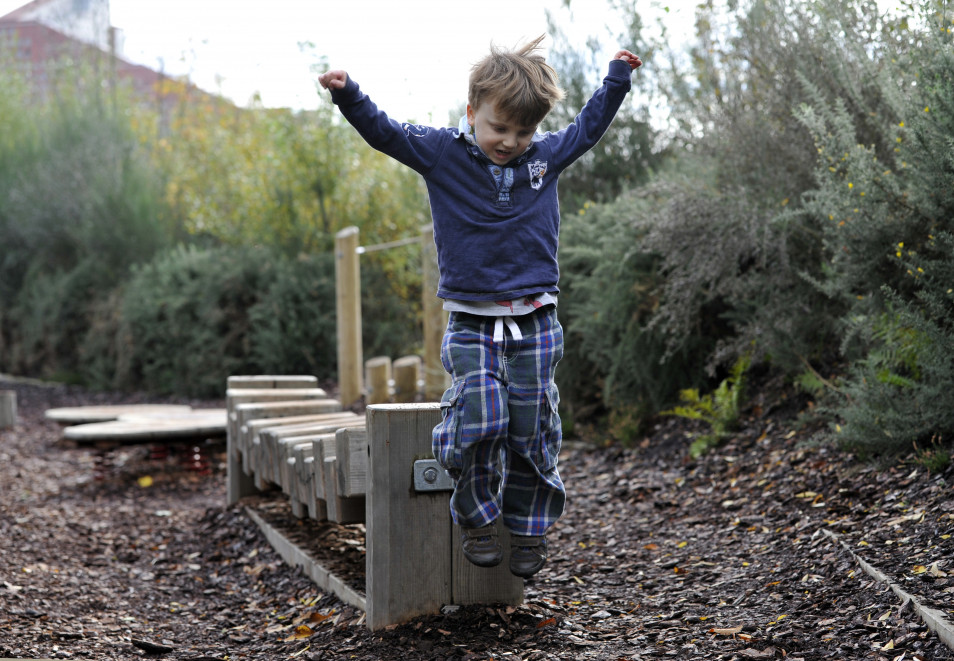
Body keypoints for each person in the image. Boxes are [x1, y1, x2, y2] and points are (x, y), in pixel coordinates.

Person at [319, 35, 641, 579]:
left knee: (531, 423)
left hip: (536, 316)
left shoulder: (543, 157)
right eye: (499, 127)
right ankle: (477, 515)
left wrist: (616, 78)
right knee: (480, 416)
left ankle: (529, 526)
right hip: (471, 317)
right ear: (472, 113)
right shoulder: (442, 152)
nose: (510, 141)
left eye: (523, 131)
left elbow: (588, 127)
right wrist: (350, 97)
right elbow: (387, 134)